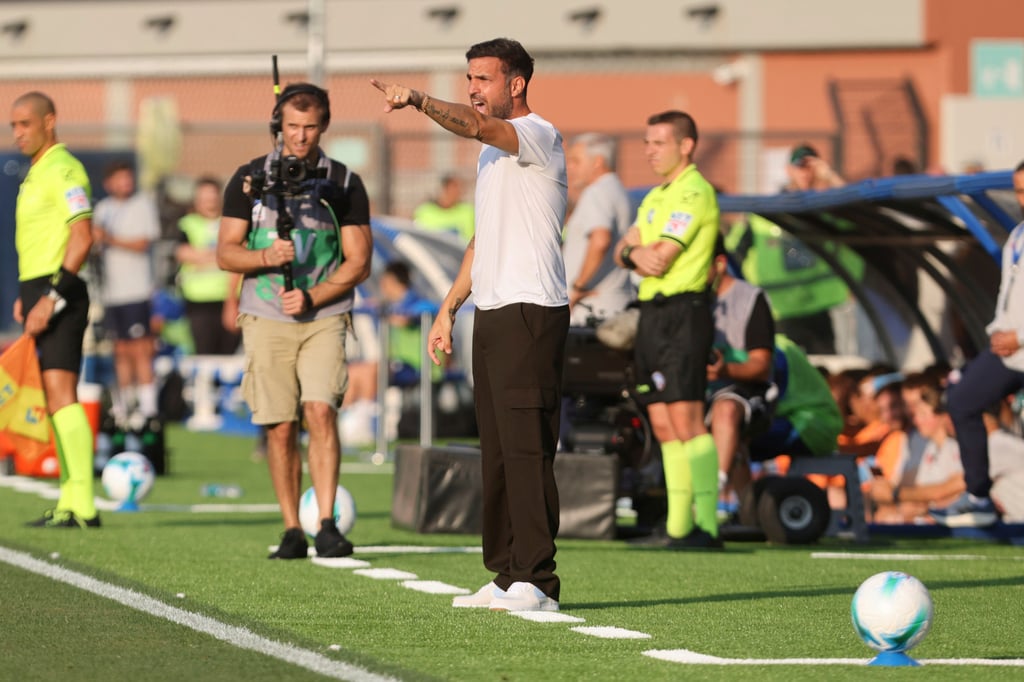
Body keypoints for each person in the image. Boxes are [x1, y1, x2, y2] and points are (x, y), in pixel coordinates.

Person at [372, 37, 569, 612]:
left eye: (483, 79)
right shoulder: (489, 157)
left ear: (516, 83)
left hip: (533, 310)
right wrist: (449, 307)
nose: (473, 90)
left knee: (528, 446)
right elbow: (483, 240)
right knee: (499, 450)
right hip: (493, 310)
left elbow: (478, 128)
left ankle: (539, 578)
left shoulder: (539, 134)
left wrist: (416, 99)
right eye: (469, 79)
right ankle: (508, 574)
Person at [216, 82, 373, 558]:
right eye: (291, 127)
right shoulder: (248, 178)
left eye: (309, 127)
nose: (300, 137)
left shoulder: (343, 181)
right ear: (277, 126)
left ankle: (326, 523)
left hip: (324, 314)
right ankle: (291, 528)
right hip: (265, 316)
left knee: (321, 410)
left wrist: (313, 295)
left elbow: (358, 260)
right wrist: (266, 256)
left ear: (323, 125)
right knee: (280, 425)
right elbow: (225, 253)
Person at [613, 110, 721, 549]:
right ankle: (678, 526)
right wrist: (630, 254)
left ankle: (708, 525)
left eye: (659, 142)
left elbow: (658, 256)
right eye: (647, 142)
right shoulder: (655, 196)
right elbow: (626, 247)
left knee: (686, 419)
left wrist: (632, 254)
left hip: (683, 313)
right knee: (660, 420)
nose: (649, 151)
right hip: (652, 315)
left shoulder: (694, 193)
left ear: (686, 145)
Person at [11, 91, 99, 528]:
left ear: (50, 121)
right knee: (52, 397)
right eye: (13, 125)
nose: (17, 133)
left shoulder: (63, 167)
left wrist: (49, 297)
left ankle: (82, 503)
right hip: (40, 288)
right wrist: (26, 296)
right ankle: (70, 499)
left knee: (63, 395)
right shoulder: (36, 171)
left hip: (59, 293)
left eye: (25, 123)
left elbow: (82, 237)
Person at [931, 160, 1024, 527]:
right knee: (962, 399)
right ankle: (979, 496)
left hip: (1020, 343)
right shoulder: (1017, 235)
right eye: (1019, 190)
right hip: (1008, 350)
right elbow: (1009, 294)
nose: (1023, 197)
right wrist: (1000, 330)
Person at [704, 235, 776, 498]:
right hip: (694, 391)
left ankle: (712, 495)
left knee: (726, 410)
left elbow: (761, 366)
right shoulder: (684, 299)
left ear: (719, 264)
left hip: (745, 393)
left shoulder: (750, 299)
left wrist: (724, 370)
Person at [93, 161, 161, 427]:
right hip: (112, 294)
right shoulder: (104, 209)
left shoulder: (142, 205)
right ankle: (125, 408)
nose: (125, 184)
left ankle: (148, 409)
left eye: (128, 178)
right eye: (119, 179)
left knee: (140, 349)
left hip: (136, 291)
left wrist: (108, 238)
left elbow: (142, 243)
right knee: (120, 350)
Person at [562, 132, 636, 326]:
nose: (570, 167)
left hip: (592, 307)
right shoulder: (618, 190)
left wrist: (577, 287)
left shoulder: (597, 192)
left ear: (598, 162)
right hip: (613, 303)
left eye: (575, 161)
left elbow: (601, 239)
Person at [868, 382, 965, 524]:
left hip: (943, 515)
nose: (916, 420)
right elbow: (920, 487)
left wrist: (897, 495)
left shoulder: (955, 445)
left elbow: (958, 487)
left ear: (943, 416)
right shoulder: (928, 446)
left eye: (924, 414)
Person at [174, 176, 240, 355]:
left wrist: (204, 256)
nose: (209, 202)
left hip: (230, 297)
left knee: (229, 355)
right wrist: (224, 255)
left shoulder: (232, 223)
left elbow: (241, 254)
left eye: (212, 196)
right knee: (204, 354)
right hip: (199, 301)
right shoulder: (187, 224)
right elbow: (184, 253)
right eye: (204, 197)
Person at [413, 174, 475, 244]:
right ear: (444, 188)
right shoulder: (424, 212)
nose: (459, 191)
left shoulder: (468, 212)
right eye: (454, 188)